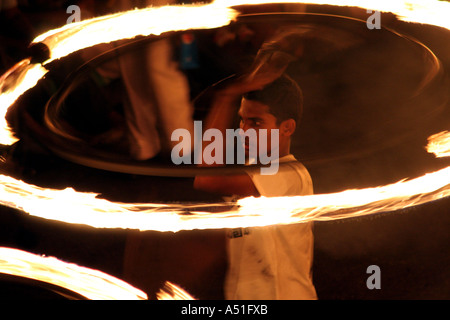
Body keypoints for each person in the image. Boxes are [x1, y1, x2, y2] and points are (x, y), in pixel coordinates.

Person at [193, 71, 318, 300]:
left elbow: (206, 180)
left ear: (287, 128)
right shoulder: (253, 170)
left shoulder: (287, 174)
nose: (243, 131)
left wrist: (225, 98)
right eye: (242, 120)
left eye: (256, 123)